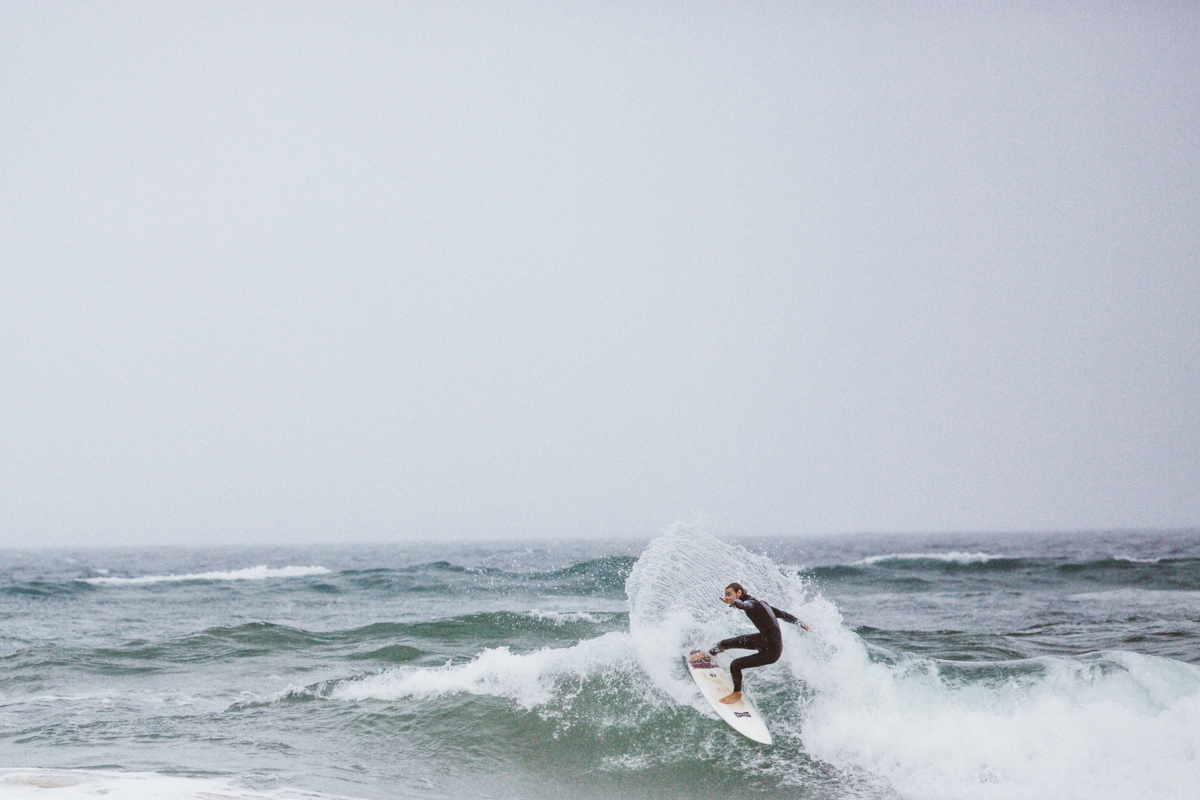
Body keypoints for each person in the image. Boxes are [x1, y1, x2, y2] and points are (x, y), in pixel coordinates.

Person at [691, 582, 808, 704]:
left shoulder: (751, 604)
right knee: (724, 643)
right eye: (726, 595)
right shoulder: (761, 603)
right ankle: (708, 655)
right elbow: (783, 615)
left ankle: (736, 693)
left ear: (739, 593)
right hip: (763, 640)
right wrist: (802, 624)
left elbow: (743, 605)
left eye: (729, 594)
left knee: (735, 665)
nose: (727, 597)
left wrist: (734, 602)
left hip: (772, 651)